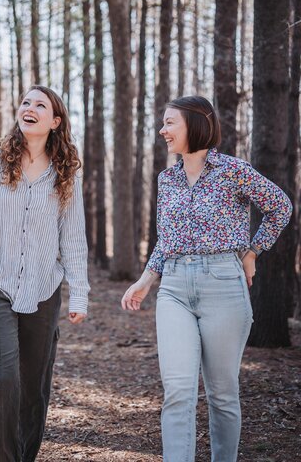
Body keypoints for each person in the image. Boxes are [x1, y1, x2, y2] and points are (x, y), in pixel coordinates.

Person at [121, 95, 292, 462]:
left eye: (170, 123)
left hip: (223, 286)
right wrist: (146, 280)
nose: (162, 130)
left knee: (222, 394)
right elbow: (167, 240)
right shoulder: (166, 180)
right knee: (179, 391)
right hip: (175, 289)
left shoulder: (233, 171)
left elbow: (280, 206)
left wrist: (252, 251)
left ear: (195, 124)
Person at [0, 85, 90, 462]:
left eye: (40, 105)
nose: (29, 107)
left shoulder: (65, 175)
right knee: (5, 381)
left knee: (34, 390)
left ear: (55, 122)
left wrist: (81, 292)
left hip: (42, 291)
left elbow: (72, 238)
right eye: (25, 102)